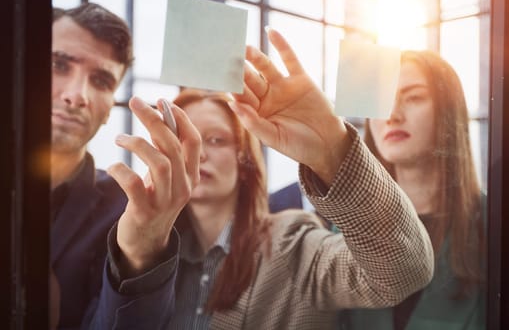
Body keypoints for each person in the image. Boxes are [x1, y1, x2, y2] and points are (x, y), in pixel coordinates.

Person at [89, 28, 434, 330]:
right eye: (187, 141)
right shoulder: (148, 250)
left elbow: (403, 273)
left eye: (216, 140)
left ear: (244, 160)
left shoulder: (292, 243)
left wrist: (333, 150)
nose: (200, 155)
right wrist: (138, 257)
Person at [341, 50, 486, 329]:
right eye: (382, 102)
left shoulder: (492, 225)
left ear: (447, 111)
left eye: (414, 97)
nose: (393, 115)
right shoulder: (346, 228)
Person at [50, 3, 134, 329]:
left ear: (110, 107)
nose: (76, 95)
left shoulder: (124, 212)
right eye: (58, 65)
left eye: (100, 81)